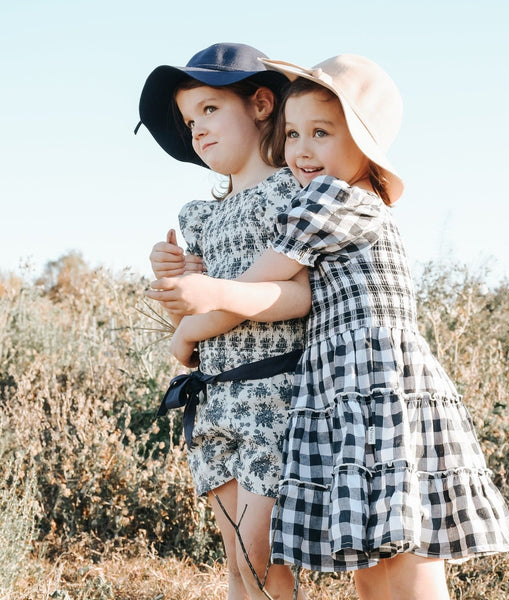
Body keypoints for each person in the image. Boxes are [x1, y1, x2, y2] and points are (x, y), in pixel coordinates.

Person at [160, 53, 509, 600]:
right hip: (349, 390)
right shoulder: (336, 196)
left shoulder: (329, 197)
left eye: (321, 133)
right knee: (377, 556)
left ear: (363, 139)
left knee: (401, 558)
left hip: (371, 386)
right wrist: (189, 288)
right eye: (294, 134)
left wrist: (191, 325)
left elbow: (269, 280)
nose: (302, 150)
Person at [138, 42, 311, 600]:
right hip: (213, 399)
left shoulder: (291, 192)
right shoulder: (201, 215)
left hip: (272, 392)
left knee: (263, 556)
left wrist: (192, 324)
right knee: (236, 562)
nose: (197, 131)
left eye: (210, 110)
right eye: (190, 121)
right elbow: (196, 308)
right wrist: (178, 282)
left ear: (262, 104)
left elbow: (296, 294)